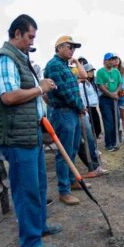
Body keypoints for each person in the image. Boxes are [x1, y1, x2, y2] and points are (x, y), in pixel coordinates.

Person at [0, 14, 61, 247]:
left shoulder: (19, 58)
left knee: (38, 185)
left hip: (30, 134)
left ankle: (39, 226)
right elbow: (8, 96)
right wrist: (40, 88)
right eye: (30, 36)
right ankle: (30, 242)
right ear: (17, 33)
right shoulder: (6, 59)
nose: (32, 42)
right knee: (26, 189)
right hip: (17, 139)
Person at [44, 35, 87, 206]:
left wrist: (78, 106)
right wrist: (79, 106)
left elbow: (73, 89)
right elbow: (62, 91)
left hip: (72, 111)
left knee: (73, 148)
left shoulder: (65, 65)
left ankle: (71, 180)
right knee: (64, 152)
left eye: (74, 48)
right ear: (59, 47)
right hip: (63, 112)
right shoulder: (54, 65)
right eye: (69, 47)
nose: (72, 50)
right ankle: (64, 190)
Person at [96, 53, 121, 151]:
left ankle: (115, 142)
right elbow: (100, 86)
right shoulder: (100, 72)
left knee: (116, 120)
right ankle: (108, 144)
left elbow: (120, 83)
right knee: (108, 122)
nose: (112, 61)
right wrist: (111, 94)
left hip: (114, 99)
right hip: (105, 100)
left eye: (113, 59)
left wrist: (116, 92)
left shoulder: (116, 71)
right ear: (105, 61)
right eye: (110, 59)